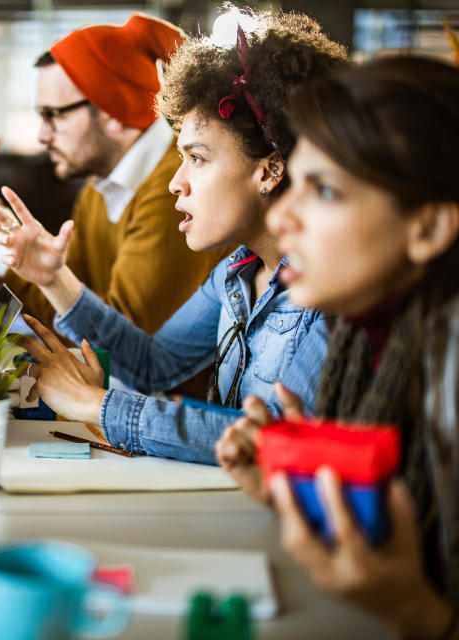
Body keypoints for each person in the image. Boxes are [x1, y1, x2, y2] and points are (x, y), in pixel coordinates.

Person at [9, 11, 346, 463]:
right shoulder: (238, 272)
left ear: (269, 170)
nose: (176, 182)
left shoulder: (331, 291)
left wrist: (96, 405)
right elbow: (153, 365)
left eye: (199, 159)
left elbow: (280, 442)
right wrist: (54, 278)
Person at [216, 56, 459, 639]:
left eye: (324, 190)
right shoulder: (367, 334)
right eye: (295, 182)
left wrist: (417, 611)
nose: (284, 215)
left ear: (427, 228)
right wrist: (297, 490)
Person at [0, 14, 230, 345]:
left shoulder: (173, 192)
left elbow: (115, 348)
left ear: (111, 112)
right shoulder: (98, 188)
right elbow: (64, 298)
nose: (42, 135)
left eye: (53, 115)